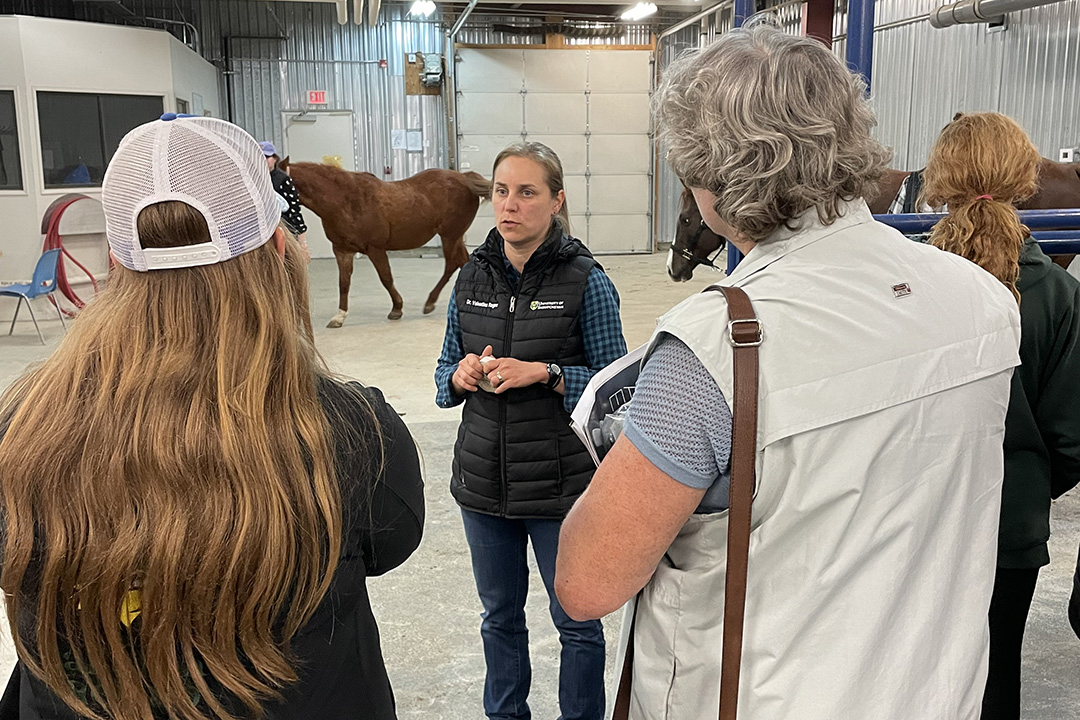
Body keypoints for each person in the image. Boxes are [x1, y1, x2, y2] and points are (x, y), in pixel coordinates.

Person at [555, 25, 1023, 720]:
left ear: (704, 178)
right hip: (936, 691)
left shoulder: (716, 346)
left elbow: (588, 582)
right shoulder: (979, 296)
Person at [0, 115, 424, 720]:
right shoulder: (358, 435)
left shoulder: (19, 430)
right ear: (280, 246)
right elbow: (391, 544)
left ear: (115, 261)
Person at [434, 141, 626, 720]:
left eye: (527, 192)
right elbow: (443, 373)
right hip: (483, 485)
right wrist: (463, 374)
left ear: (556, 200)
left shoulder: (586, 281)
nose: (509, 205)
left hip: (561, 488)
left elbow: (618, 388)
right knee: (499, 618)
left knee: (577, 621)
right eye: (501, 191)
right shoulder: (470, 277)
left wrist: (547, 373)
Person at [920, 112, 1080, 720]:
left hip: (913, 519)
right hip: (1009, 526)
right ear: (1024, 179)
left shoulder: (901, 287)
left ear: (939, 181)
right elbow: (1071, 439)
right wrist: (1029, 481)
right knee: (995, 677)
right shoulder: (1061, 296)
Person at [259, 141, 310, 261]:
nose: (264, 160)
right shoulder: (254, 179)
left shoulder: (283, 180)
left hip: (283, 228)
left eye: (267, 157)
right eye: (260, 157)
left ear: (275, 159)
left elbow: (295, 210)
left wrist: (302, 244)